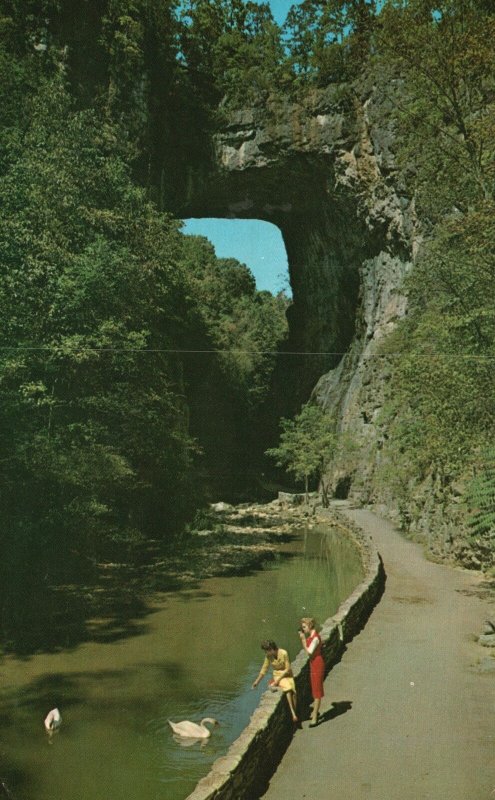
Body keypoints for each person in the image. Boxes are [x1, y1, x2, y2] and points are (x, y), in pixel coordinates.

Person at [252, 640, 298, 724]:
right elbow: (264, 670)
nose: (265, 653)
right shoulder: (268, 657)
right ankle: (293, 713)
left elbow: (288, 669)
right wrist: (256, 682)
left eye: (266, 651)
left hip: (287, 674)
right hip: (277, 674)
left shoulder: (283, 653)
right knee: (288, 688)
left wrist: (277, 680)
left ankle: (295, 713)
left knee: (293, 692)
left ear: (271, 649)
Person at [298, 617, 324, 727]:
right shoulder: (313, 636)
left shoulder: (315, 638)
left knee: (317, 690)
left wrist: (303, 640)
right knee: (314, 688)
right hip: (313, 663)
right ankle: (314, 712)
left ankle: (315, 718)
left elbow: (309, 652)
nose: (303, 629)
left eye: (304, 627)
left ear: (310, 626)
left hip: (317, 663)